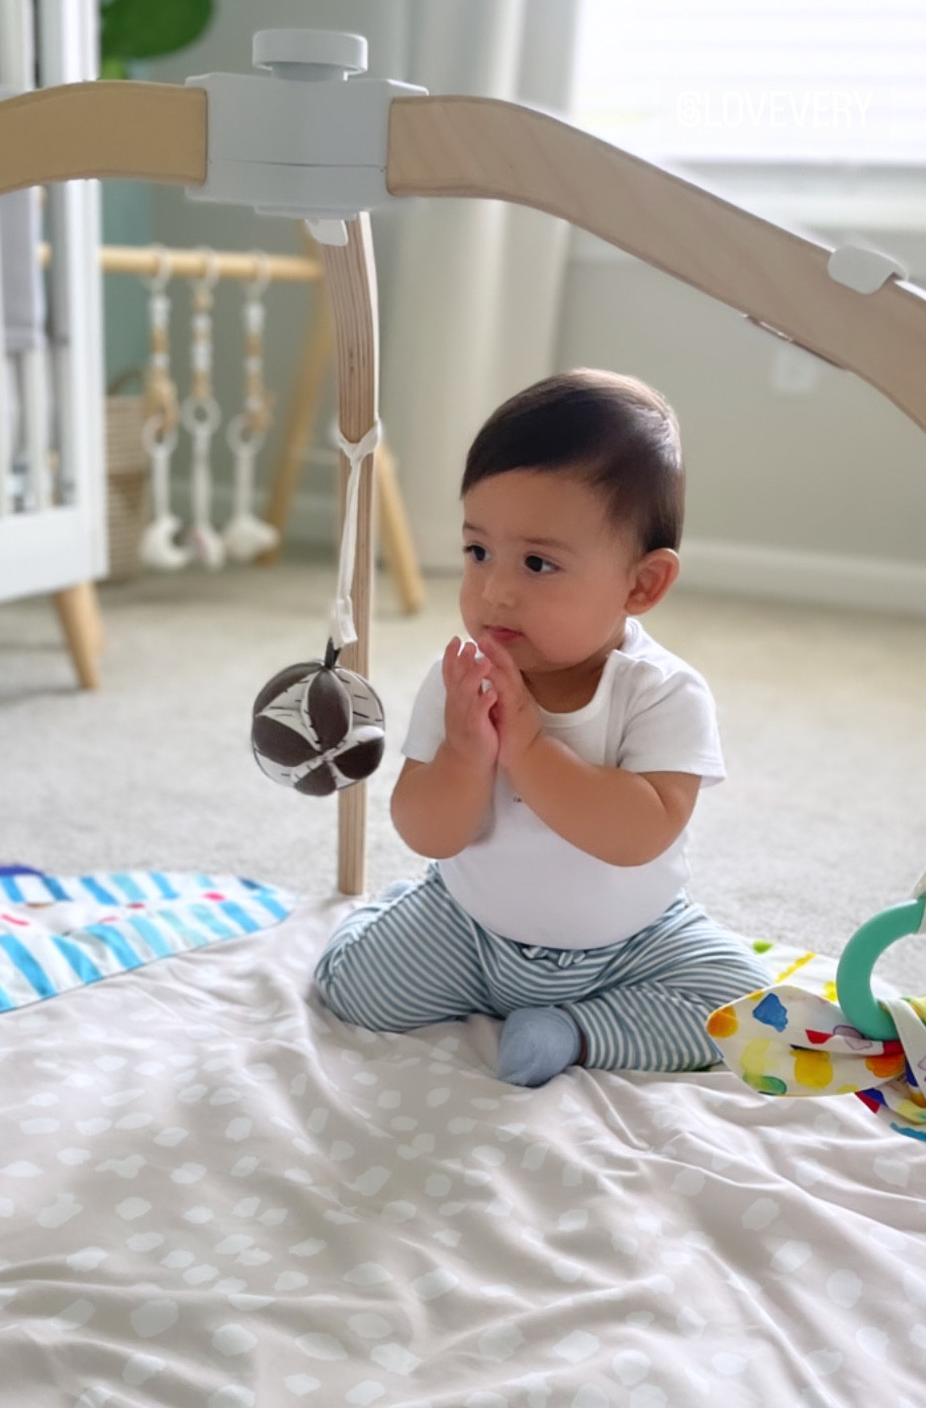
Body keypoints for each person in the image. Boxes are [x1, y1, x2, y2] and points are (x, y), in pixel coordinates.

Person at [313, 368, 772, 1087]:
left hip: (631, 944)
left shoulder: (662, 693)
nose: (495, 590)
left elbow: (639, 834)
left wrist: (527, 748)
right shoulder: (461, 680)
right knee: (350, 987)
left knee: (747, 1013)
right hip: (470, 926)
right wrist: (467, 753)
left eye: (537, 563)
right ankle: (409, 911)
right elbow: (428, 832)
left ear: (642, 584)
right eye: (478, 552)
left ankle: (575, 1031)